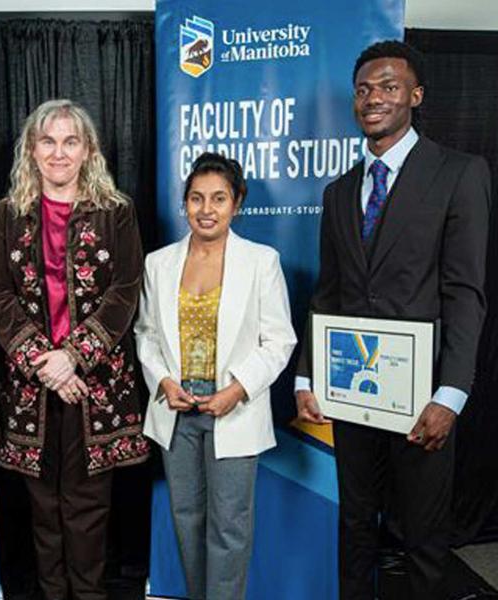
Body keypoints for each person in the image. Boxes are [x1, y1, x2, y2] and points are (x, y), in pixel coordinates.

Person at [294, 41, 490, 600]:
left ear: (416, 95)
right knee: (355, 523)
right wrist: (308, 376)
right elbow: (327, 293)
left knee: (423, 537)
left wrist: (451, 395)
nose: (373, 98)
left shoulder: (459, 174)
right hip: (353, 392)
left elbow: (465, 292)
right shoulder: (338, 193)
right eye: (363, 89)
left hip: (424, 394)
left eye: (388, 86)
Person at [0, 98, 149, 600]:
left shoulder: (116, 212)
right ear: (31, 151)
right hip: (31, 386)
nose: (59, 153)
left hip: (95, 384)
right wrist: (46, 364)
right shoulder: (8, 214)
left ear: (88, 150)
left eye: (70, 141)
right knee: (41, 506)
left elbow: (125, 291)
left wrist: (73, 356)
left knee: (88, 507)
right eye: (48, 141)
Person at [134, 152, 296, 600]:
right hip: (177, 411)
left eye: (219, 198)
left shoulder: (261, 261)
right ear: (184, 202)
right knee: (187, 520)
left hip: (233, 410)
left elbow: (279, 341)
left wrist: (237, 390)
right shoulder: (159, 263)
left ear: (237, 203)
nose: (206, 209)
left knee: (229, 527)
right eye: (197, 198)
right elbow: (145, 334)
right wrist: (164, 382)